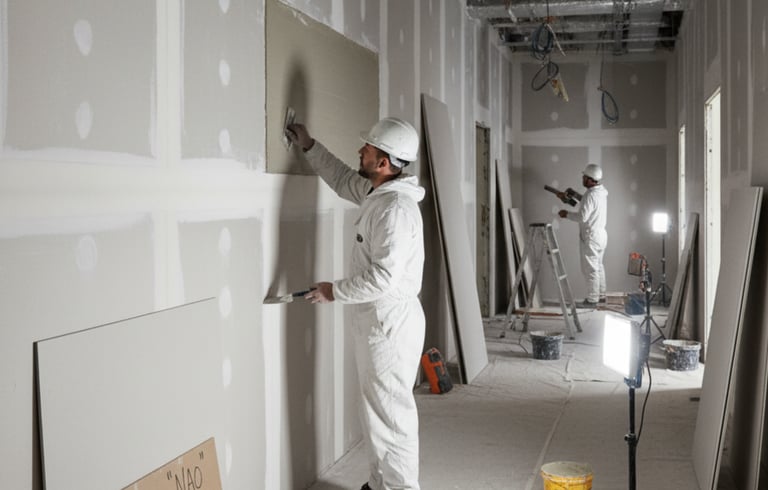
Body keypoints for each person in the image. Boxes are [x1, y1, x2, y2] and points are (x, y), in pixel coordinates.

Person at [286, 117, 426, 490]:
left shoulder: (393, 210)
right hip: (379, 320)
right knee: (377, 412)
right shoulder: (377, 193)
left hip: (389, 324)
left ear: (383, 163)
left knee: (392, 416)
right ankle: (381, 484)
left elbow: (384, 278)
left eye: (368, 148)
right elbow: (343, 178)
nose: (360, 150)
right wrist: (310, 145)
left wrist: (335, 290)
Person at [557, 163, 608, 308]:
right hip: (601, 235)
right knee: (598, 266)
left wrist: (566, 214)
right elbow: (588, 202)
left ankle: (592, 300)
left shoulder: (591, 195)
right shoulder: (601, 191)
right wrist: (575, 194)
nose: (582, 179)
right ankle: (602, 296)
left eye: (584, 177)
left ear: (590, 179)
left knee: (590, 268)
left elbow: (582, 217)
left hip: (591, 236)